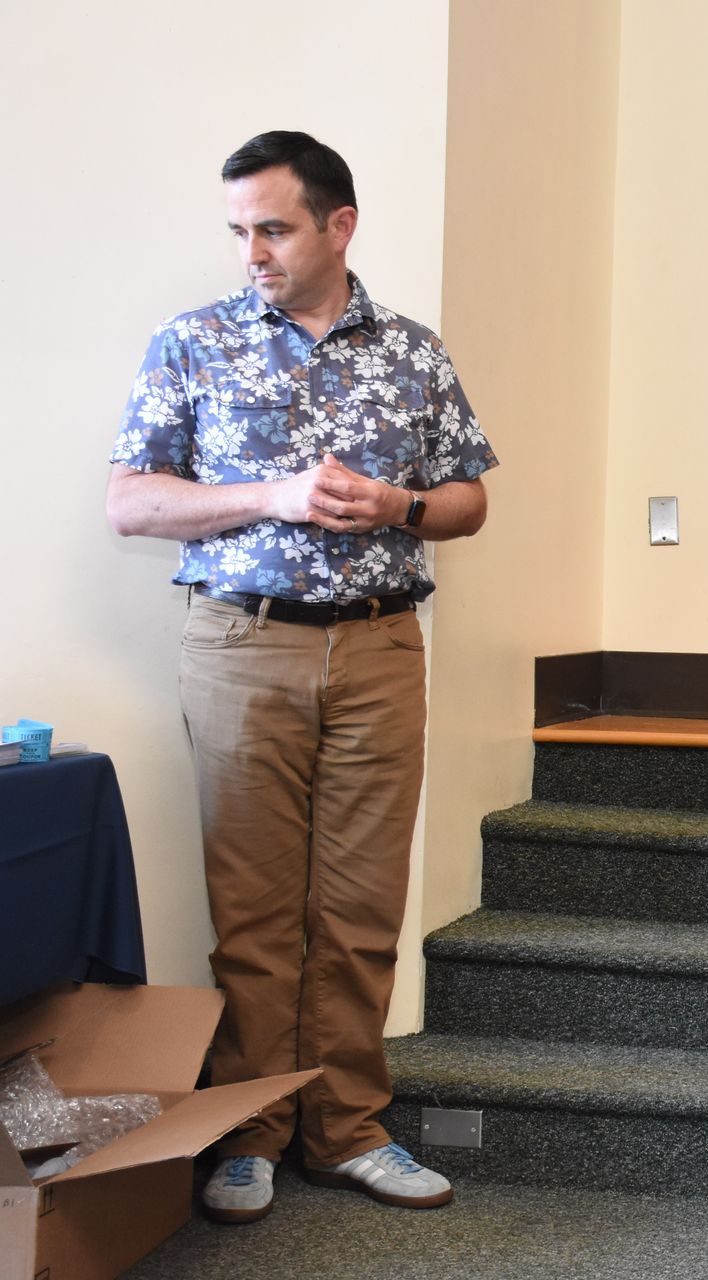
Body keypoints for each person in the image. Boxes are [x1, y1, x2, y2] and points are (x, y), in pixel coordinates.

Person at [105, 131, 498, 1225]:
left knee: (363, 906)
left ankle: (350, 1127)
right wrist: (269, 495)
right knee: (256, 911)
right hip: (242, 644)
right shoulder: (192, 342)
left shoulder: (415, 353)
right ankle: (251, 1131)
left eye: (272, 228)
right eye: (240, 230)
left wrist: (398, 506)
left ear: (339, 225)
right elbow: (132, 501)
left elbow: (468, 499)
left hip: (380, 647)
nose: (252, 252)